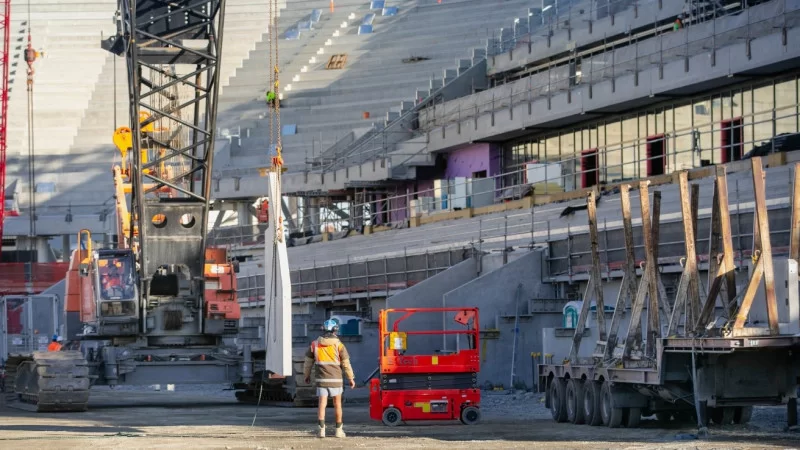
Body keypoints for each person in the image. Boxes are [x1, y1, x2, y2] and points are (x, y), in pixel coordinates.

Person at [303, 319, 356, 438]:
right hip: (336, 380)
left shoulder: (314, 344)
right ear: (335, 330)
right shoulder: (339, 345)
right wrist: (351, 378)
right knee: (338, 405)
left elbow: (307, 363)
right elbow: (346, 364)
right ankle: (338, 431)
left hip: (321, 380)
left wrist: (306, 376)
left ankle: (321, 431)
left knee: (322, 404)